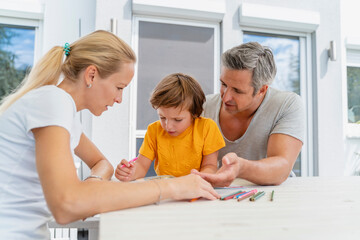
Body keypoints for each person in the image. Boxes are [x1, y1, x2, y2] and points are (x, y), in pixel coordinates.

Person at [0, 30, 220, 239]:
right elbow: (67, 205)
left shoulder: (63, 110)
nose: (119, 99)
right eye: (119, 87)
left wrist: (92, 184)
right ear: (92, 75)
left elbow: (101, 163)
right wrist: (171, 187)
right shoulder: (52, 103)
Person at [191, 42, 305, 186]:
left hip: (272, 196)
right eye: (223, 84)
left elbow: (281, 167)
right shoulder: (204, 107)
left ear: (262, 90)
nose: (225, 97)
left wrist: (241, 168)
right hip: (218, 195)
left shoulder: (286, 104)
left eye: (237, 91)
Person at [115, 73, 225, 181]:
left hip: (195, 189)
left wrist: (200, 177)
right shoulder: (154, 130)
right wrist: (129, 173)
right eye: (162, 117)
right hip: (166, 190)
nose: (168, 126)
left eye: (177, 120)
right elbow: (142, 166)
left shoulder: (207, 128)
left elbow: (210, 166)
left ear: (194, 114)